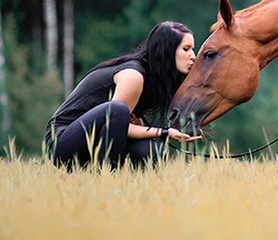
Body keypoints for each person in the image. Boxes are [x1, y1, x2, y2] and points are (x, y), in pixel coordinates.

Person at [45, 21, 200, 169]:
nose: (193, 56)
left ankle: (115, 178)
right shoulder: (133, 76)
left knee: (153, 152)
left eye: (192, 49)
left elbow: (126, 127)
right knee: (118, 109)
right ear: (166, 51)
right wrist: (164, 132)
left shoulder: (155, 83)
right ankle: (104, 176)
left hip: (96, 140)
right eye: (186, 49)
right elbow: (119, 123)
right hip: (63, 142)